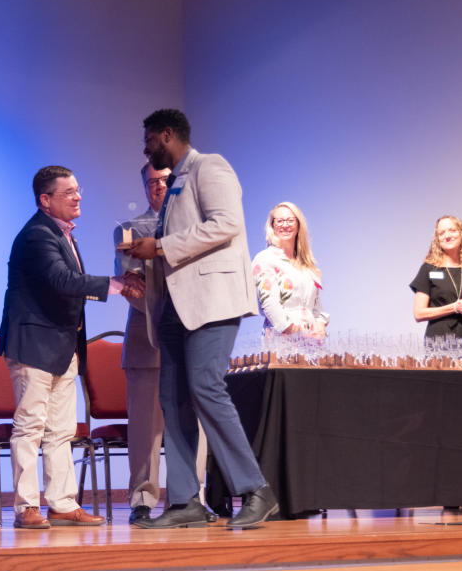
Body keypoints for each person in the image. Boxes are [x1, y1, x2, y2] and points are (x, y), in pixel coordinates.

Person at [128, 108, 277, 529]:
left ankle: (255, 489)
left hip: (213, 301)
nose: (145, 148)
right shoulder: (175, 181)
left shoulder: (210, 167)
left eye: (150, 139)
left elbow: (227, 224)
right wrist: (149, 252)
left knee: (205, 387)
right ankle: (184, 502)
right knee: (172, 398)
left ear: (168, 135)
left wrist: (158, 247)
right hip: (175, 304)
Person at [0, 165, 143, 529]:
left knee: (62, 430)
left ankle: (62, 503)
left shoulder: (63, 235)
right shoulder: (37, 235)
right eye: (69, 192)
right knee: (30, 427)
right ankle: (25, 506)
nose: (78, 197)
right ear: (45, 200)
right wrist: (115, 284)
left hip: (63, 348)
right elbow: (62, 280)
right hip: (34, 346)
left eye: (78, 190)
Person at [114, 163, 208, 523]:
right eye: (152, 182)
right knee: (145, 430)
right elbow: (132, 287)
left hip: (192, 339)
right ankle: (141, 499)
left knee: (191, 424)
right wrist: (166, 313)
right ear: (144, 187)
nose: (159, 187)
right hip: (148, 339)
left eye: (165, 181)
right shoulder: (129, 230)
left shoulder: (198, 230)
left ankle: (191, 499)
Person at [410, 215, 462, 345]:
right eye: (441, 233)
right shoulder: (428, 269)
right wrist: (454, 307)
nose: (447, 235)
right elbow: (419, 314)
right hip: (438, 345)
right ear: (437, 240)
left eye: (452, 230)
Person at [251, 202, 328, 338]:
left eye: (290, 220)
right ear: (272, 225)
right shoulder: (265, 259)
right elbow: (268, 304)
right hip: (282, 339)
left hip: (312, 342)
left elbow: (315, 305)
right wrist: (295, 332)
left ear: (298, 225)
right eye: (280, 221)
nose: (285, 225)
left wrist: (319, 326)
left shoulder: (306, 264)